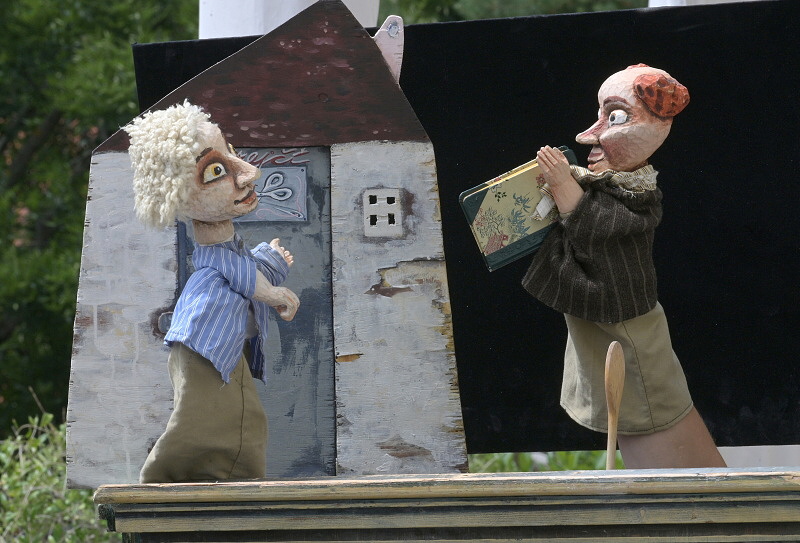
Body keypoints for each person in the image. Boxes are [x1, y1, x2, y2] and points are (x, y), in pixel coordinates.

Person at [522, 64, 725, 468]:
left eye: (614, 117)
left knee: (648, 412)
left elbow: (604, 228)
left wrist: (564, 186)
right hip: (604, 321)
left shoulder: (637, 196)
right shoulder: (607, 184)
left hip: (627, 327)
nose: (588, 135)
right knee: (628, 416)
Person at [124, 101, 300, 482]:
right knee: (207, 419)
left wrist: (270, 259)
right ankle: (166, 477)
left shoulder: (225, 254)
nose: (247, 174)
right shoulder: (214, 257)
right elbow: (240, 275)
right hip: (204, 345)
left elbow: (243, 267)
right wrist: (275, 294)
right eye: (216, 170)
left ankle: (226, 480)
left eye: (231, 154)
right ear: (179, 195)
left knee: (236, 416)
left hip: (215, 344)